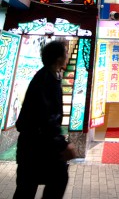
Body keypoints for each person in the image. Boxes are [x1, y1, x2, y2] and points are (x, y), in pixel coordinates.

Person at [13, 40, 76, 199]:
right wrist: (63, 144)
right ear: (58, 58)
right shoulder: (46, 79)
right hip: (36, 146)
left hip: (37, 145)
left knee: (29, 186)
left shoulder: (50, 75)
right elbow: (47, 117)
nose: (67, 55)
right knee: (52, 180)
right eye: (65, 53)